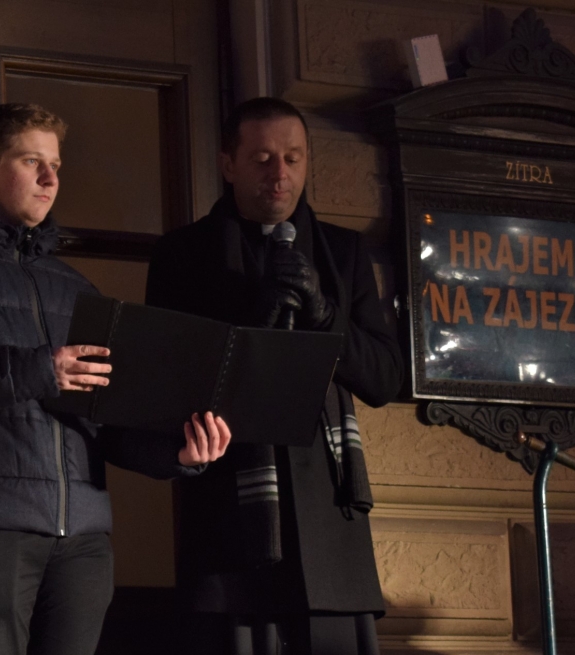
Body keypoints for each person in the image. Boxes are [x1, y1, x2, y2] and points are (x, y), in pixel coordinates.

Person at [0, 102, 230, 655]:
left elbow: (105, 418)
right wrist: (41, 369)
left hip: (83, 532)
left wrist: (178, 453)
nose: (50, 179)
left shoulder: (75, 287)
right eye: (31, 161)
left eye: (56, 165)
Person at [146, 97, 404, 655]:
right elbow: (167, 387)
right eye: (262, 158)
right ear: (228, 164)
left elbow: (384, 379)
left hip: (328, 517)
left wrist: (325, 316)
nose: (279, 173)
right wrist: (252, 322)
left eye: (293, 157)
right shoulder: (182, 255)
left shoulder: (343, 252)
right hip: (232, 518)